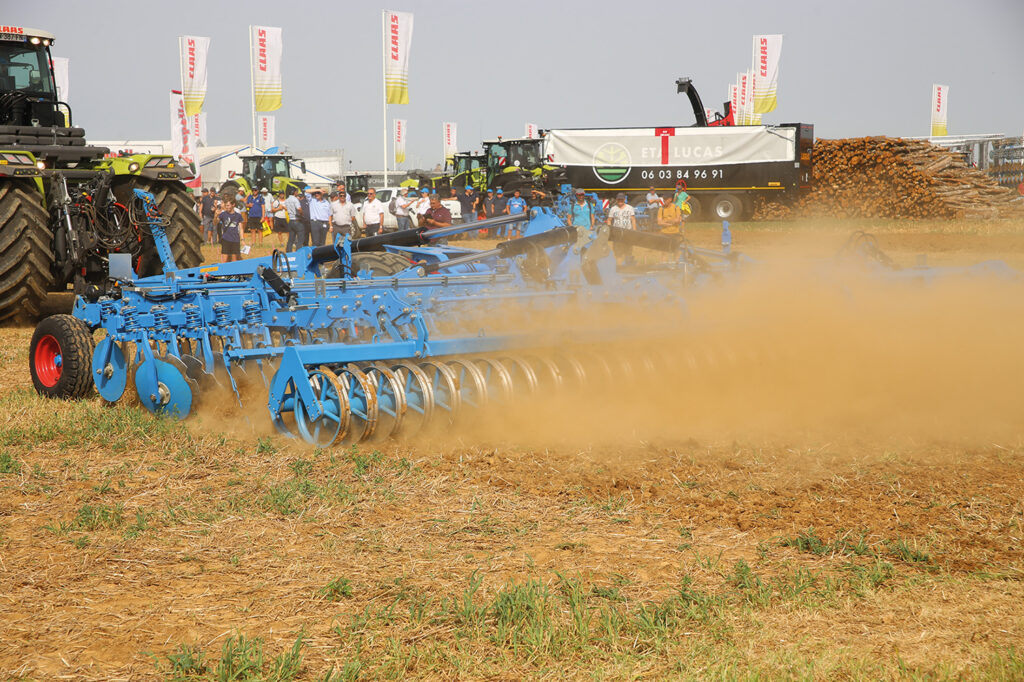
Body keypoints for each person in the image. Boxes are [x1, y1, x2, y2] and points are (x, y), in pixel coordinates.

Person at [607, 192, 637, 266]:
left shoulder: (629, 208)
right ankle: (619, 267)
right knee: (618, 252)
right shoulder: (613, 209)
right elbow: (609, 220)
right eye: (619, 199)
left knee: (628, 251)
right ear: (616, 200)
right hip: (617, 234)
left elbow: (633, 219)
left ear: (624, 199)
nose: (620, 201)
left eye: (622, 199)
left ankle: (628, 267)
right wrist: (610, 230)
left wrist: (634, 231)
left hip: (628, 233)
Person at [216, 197, 245, 263]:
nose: (226, 207)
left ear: (233, 205)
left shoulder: (238, 216)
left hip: (235, 239)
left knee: (234, 261)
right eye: (226, 205)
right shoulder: (223, 214)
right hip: (226, 239)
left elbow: (241, 229)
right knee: (225, 260)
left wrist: (242, 240)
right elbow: (215, 223)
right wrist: (216, 216)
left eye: (228, 205)